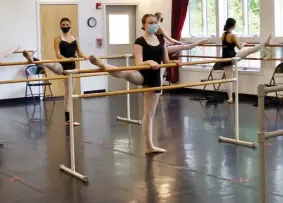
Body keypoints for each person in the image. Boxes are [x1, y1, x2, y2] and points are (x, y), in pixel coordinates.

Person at [87, 13, 182, 154]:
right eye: (150, 22)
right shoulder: (139, 41)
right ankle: (103, 64)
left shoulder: (162, 41)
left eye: (155, 22)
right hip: (143, 73)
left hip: (155, 77)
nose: (153, 24)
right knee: (127, 72)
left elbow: (166, 61)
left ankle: (149, 146)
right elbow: (138, 63)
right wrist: (149, 62)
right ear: (143, 25)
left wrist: (175, 62)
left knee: (149, 114)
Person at [22, 17, 86, 126]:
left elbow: (80, 53)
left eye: (67, 25)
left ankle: (68, 120)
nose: (65, 26)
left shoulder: (75, 38)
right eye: (63, 25)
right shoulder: (58, 38)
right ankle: (32, 59)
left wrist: (86, 57)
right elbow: (58, 55)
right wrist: (67, 59)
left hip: (72, 68)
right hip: (61, 66)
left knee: (68, 93)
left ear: (70, 25)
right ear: (60, 26)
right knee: (48, 63)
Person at [154, 12, 209, 95]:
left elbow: (160, 40)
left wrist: (169, 44)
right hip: (162, 48)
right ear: (160, 19)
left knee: (161, 70)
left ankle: (159, 91)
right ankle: (200, 42)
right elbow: (170, 39)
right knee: (185, 47)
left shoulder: (154, 28)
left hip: (159, 48)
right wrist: (179, 43)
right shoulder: (159, 28)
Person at [220, 18, 273, 103]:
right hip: (233, 58)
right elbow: (240, 47)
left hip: (225, 59)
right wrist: (243, 44)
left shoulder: (223, 35)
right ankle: (265, 43)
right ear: (233, 26)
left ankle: (230, 98)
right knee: (250, 49)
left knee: (228, 79)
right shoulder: (233, 36)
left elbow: (228, 45)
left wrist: (240, 44)